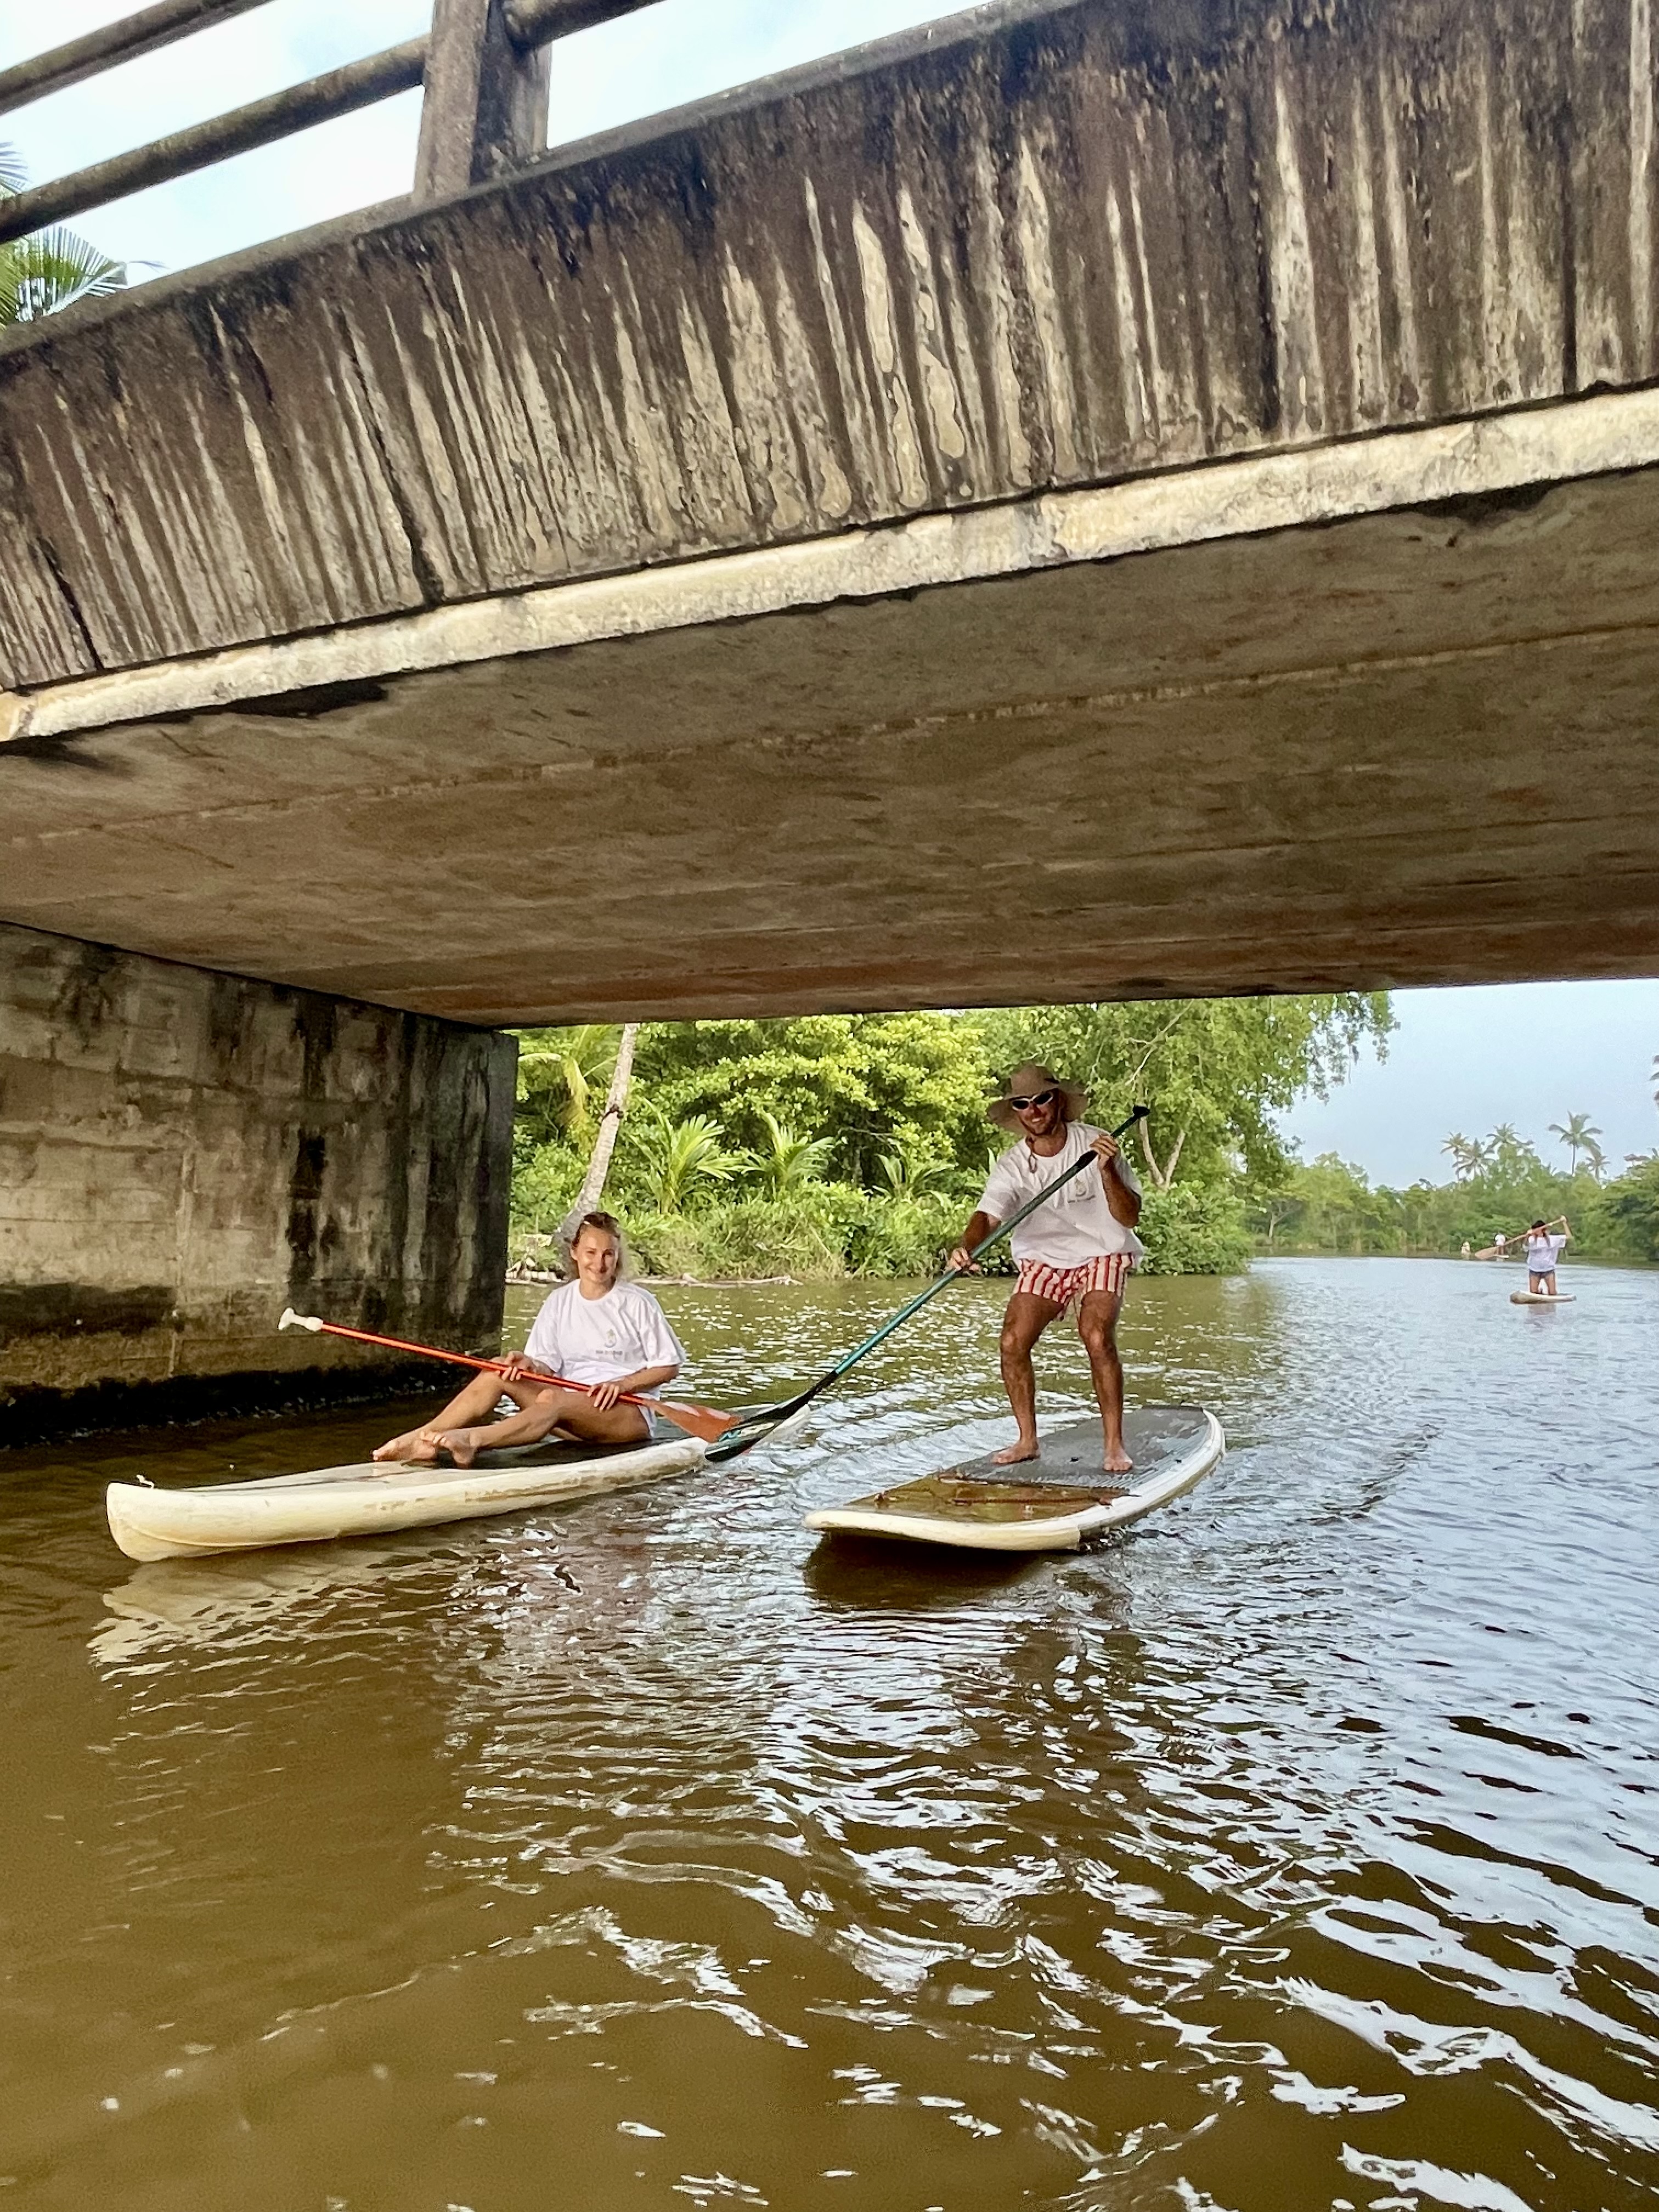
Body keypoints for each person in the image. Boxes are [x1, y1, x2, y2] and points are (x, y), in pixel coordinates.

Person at [948, 1063, 1144, 1474]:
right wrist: (967, 1247)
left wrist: (1107, 1171)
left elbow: (1129, 1218)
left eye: (1042, 1099)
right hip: (1044, 1257)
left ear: (1058, 1102)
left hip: (1102, 1250)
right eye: (1022, 1103)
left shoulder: (1098, 1144)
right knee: (1011, 1342)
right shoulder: (1013, 1166)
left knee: (1095, 1333)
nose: (1033, 1110)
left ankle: (1114, 1446)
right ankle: (1027, 1441)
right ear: (1016, 1112)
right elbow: (987, 1216)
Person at [373, 1211, 686, 1468]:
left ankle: (473, 1440)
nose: (599, 1263)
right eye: (591, 1253)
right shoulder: (559, 1302)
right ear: (575, 1253)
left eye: (608, 1254)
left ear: (617, 1257)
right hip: (569, 1415)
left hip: (625, 1418)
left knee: (552, 1400)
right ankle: (423, 1439)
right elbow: (546, 1366)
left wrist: (622, 1385)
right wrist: (529, 1364)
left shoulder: (637, 1302)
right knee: (498, 1369)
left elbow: (668, 1366)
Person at [1522, 1214, 1571, 1295]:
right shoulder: (1531, 1240)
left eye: (1537, 1229)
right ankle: (1539, 1292)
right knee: (1533, 1292)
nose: (1535, 1231)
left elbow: (1568, 1237)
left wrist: (1564, 1223)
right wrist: (1527, 1237)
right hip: (1534, 1269)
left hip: (1549, 1269)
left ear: (1543, 1230)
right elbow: (1525, 1247)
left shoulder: (1553, 1239)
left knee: (1552, 1293)